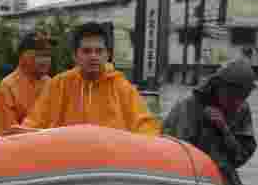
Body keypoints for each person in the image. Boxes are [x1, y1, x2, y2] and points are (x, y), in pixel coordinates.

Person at [161, 58, 258, 185]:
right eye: (233, 97)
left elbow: (240, 157)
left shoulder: (242, 109)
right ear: (219, 88)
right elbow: (172, 153)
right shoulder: (189, 106)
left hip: (222, 178)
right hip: (186, 177)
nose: (237, 103)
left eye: (243, 97)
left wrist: (223, 128)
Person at [18, 22, 161, 136]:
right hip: (68, 163)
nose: (93, 56)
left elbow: (146, 128)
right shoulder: (59, 84)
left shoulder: (122, 87)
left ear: (107, 55)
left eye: (99, 51)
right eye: (86, 51)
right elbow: (33, 123)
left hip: (110, 165)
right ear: (75, 56)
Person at [0, 30, 52, 136]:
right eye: (39, 55)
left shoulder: (51, 83)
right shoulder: (8, 86)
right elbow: (9, 133)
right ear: (22, 56)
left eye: (48, 55)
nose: (45, 60)